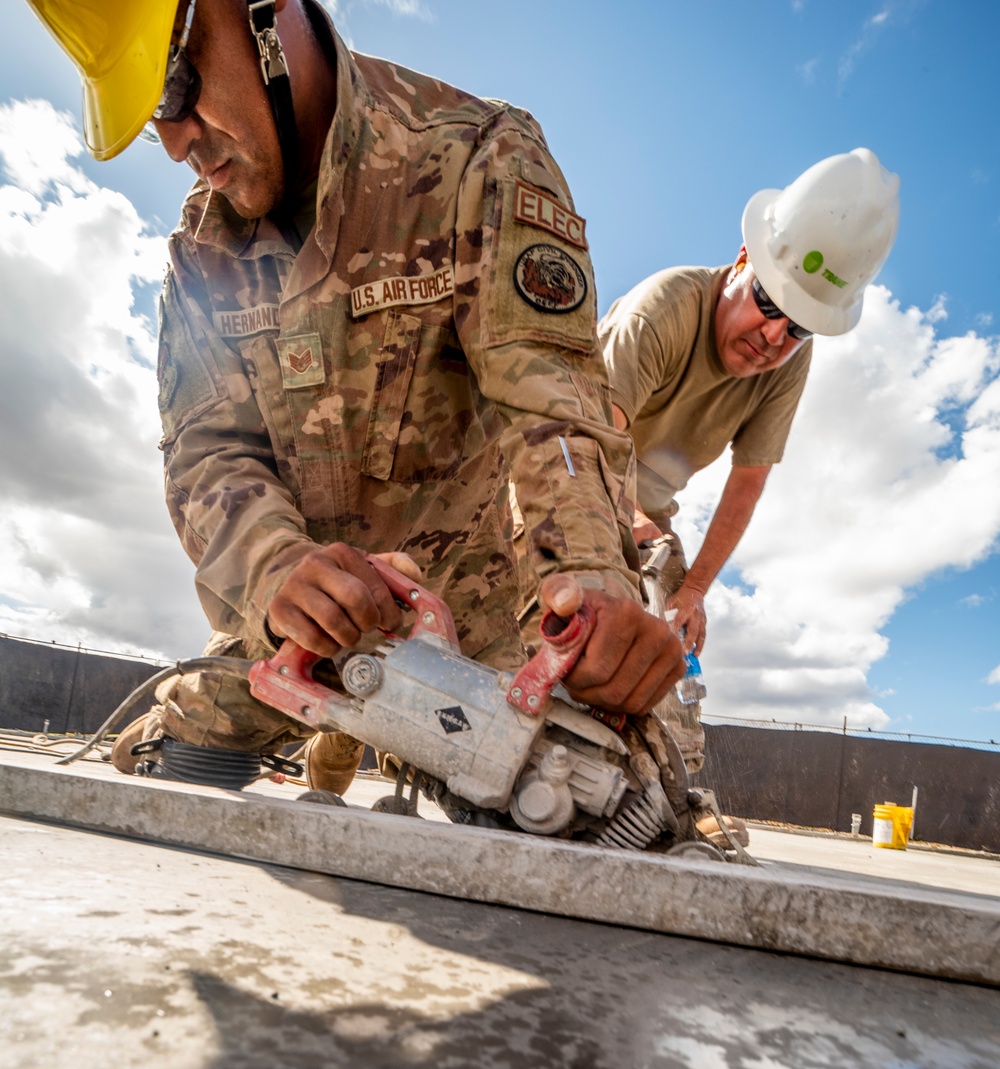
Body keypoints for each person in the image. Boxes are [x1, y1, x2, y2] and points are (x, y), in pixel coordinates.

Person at [26, 0, 683, 793]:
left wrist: (590, 594)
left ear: (265, 18)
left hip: (490, 609)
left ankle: (393, 740)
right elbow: (207, 453)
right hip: (316, 630)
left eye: (171, 88)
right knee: (173, 755)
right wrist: (277, 572)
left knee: (606, 792)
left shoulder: (477, 155)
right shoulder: (201, 254)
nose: (172, 142)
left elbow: (550, 404)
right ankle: (331, 728)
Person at [598, 149, 900, 771]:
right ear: (742, 263)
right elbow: (587, 448)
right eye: (767, 305)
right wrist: (647, 542)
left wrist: (696, 591)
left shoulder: (788, 360)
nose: (773, 338)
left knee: (669, 618)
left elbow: (748, 482)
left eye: (797, 328)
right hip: (559, 475)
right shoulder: (661, 312)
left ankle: (672, 784)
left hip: (645, 512)